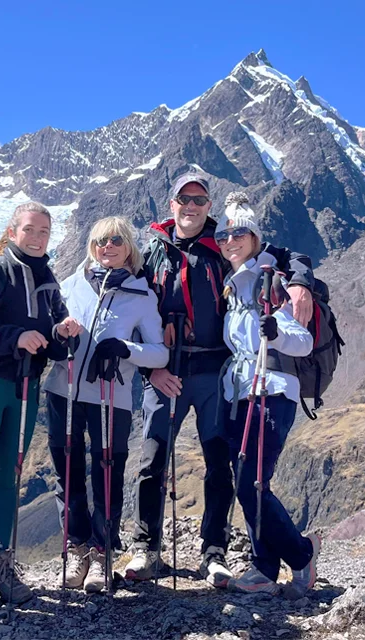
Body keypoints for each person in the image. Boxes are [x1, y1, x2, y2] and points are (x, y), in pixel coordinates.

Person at [125, 172, 315, 588]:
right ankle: (145, 548)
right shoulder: (153, 251)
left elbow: (287, 256)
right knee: (152, 459)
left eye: (199, 200)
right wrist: (150, 369)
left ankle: (214, 552)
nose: (191, 206)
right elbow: (132, 308)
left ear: (209, 206)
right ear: (172, 204)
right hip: (166, 373)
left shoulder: (224, 246)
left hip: (216, 376)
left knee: (220, 466)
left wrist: (301, 280)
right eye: (184, 199)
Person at [0, 201, 81, 612]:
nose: (38, 238)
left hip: (25, 385)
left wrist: (63, 333)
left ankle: (1, 565)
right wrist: (16, 337)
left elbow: (55, 343)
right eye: (30, 229)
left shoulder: (48, 281)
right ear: (12, 231)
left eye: (44, 232)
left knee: (8, 475)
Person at [43, 216, 168, 593]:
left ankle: (102, 552)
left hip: (111, 396)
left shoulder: (142, 295)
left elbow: (160, 353)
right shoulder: (72, 284)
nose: (107, 247)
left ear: (129, 246)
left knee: (107, 474)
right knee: (67, 472)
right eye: (100, 241)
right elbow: (51, 327)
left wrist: (126, 349)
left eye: (115, 240)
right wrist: (59, 332)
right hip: (63, 390)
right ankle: (76, 547)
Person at [215, 192, 321, 595]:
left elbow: (303, 342)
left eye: (239, 234)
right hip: (241, 393)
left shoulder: (271, 280)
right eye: (224, 235)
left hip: (271, 392)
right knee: (248, 482)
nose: (230, 241)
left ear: (255, 238)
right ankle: (263, 568)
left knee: (252, 484)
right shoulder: (233, 285)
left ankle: (302, 555)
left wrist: (276, 333)